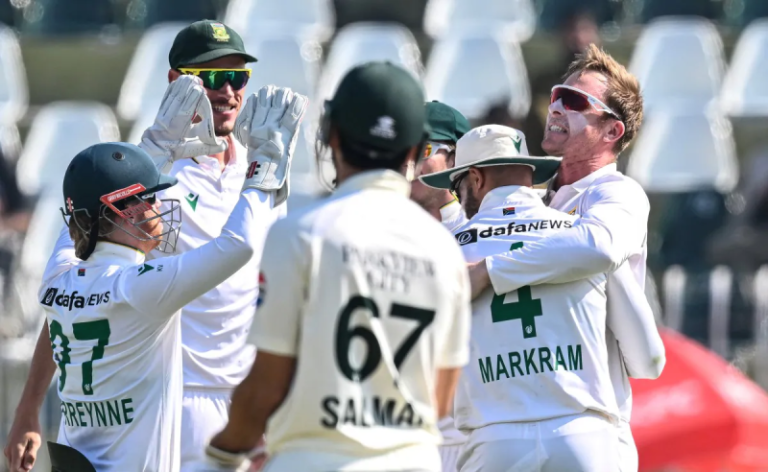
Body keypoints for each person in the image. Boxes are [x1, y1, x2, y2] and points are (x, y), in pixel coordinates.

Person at [2, 81, 307, 472]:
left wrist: (153, 149)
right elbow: (239, 245)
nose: (158, 206)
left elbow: (77, 220)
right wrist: (264, 165)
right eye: (148, 197)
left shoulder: (57, 276)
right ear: (120, 212)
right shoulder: (141, 288)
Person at [201, 61, 472, 472]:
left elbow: (265, 388)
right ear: (416, 150)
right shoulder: (445, 250)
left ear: (332, 136)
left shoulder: (299, 234)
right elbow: (441, 397)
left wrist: (221, 454)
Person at [467, 44, 661, 472]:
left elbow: (599, 245)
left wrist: (489, 271)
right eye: (557, 95)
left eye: (573, 100)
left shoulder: (619, 194)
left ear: (612, 131)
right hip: (516, 419)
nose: (555, 107)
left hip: (594, 422)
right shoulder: (536, 202)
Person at [139, 20, 288, 470]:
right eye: (213, 77)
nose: (228, 92)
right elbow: (84, 281)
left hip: (250, 401)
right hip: (177, 396)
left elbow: (275, 290)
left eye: (238, 78)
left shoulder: (261, 169)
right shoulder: (149, 171)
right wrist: (29, 407)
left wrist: (273, 400)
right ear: (176, 81)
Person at [410, 101, 470, 232]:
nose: (409, 161)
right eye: (404, 150)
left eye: (423, 150)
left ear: (454, 161)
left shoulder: (473, 232)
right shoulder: (376, 225)